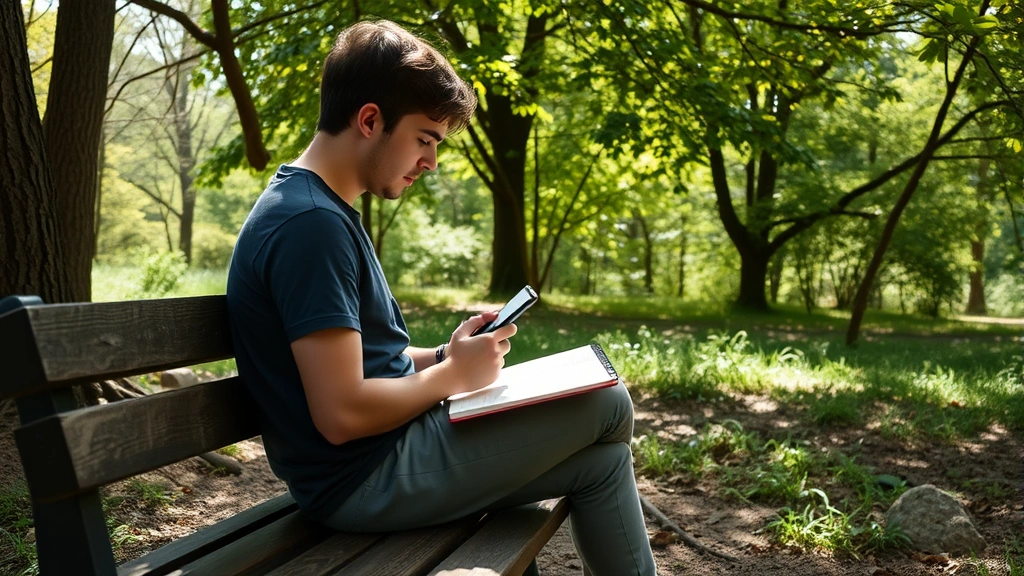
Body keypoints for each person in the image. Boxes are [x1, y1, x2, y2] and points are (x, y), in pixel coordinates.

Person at [225, 19, 657, 575]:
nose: (431, 161)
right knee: (607, 402)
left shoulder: (318, 210)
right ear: (370, 119)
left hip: (381, 457)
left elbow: (362, 361)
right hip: (363, 478)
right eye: (425, 139)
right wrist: (454, 379)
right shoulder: (310, 226)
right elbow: (341, 413)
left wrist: (446, 357)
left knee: (601, 461)